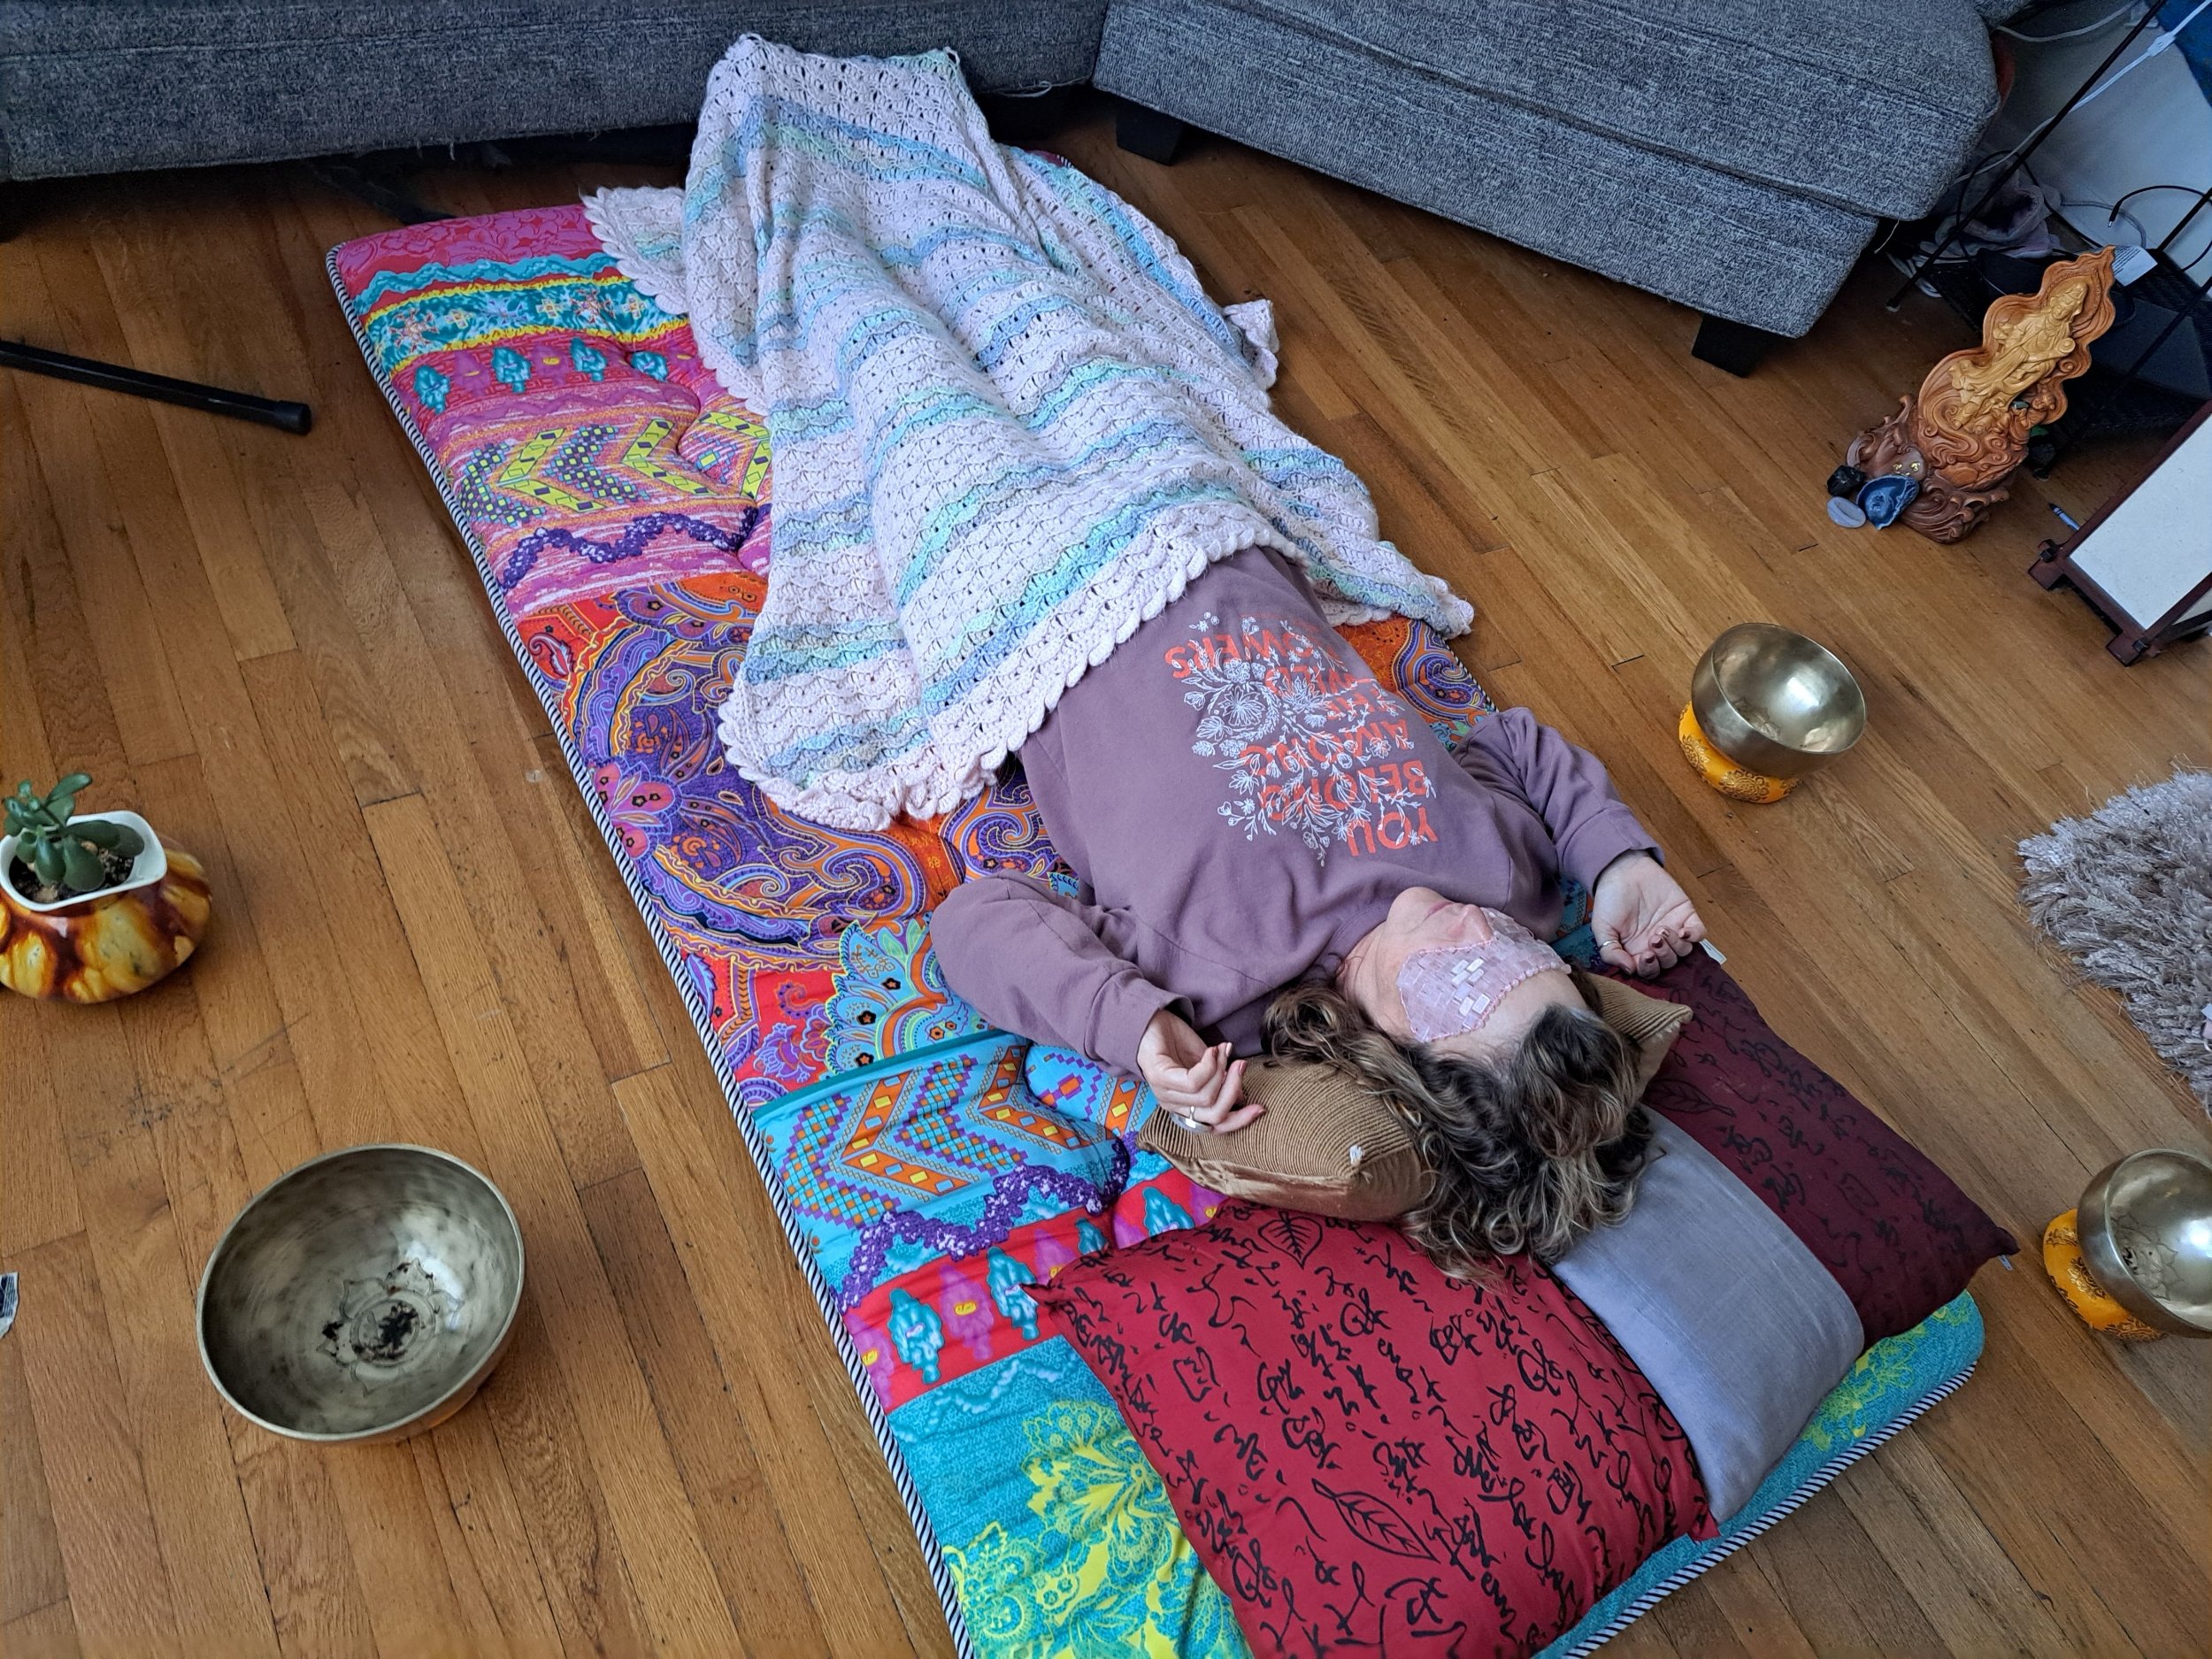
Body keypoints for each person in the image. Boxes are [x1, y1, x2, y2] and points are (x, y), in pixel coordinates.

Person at [932, 546, 1707, 1271]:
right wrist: (1615, 858)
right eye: (1526, 952)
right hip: (1211, 540)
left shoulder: (1227, 985)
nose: (1479, 927)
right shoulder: (1507, 881)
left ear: (1398, 1056)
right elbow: (1509, 742)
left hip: (1039, 603)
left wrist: (1134, 1025)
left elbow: (975, 919)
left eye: (1473, 975)